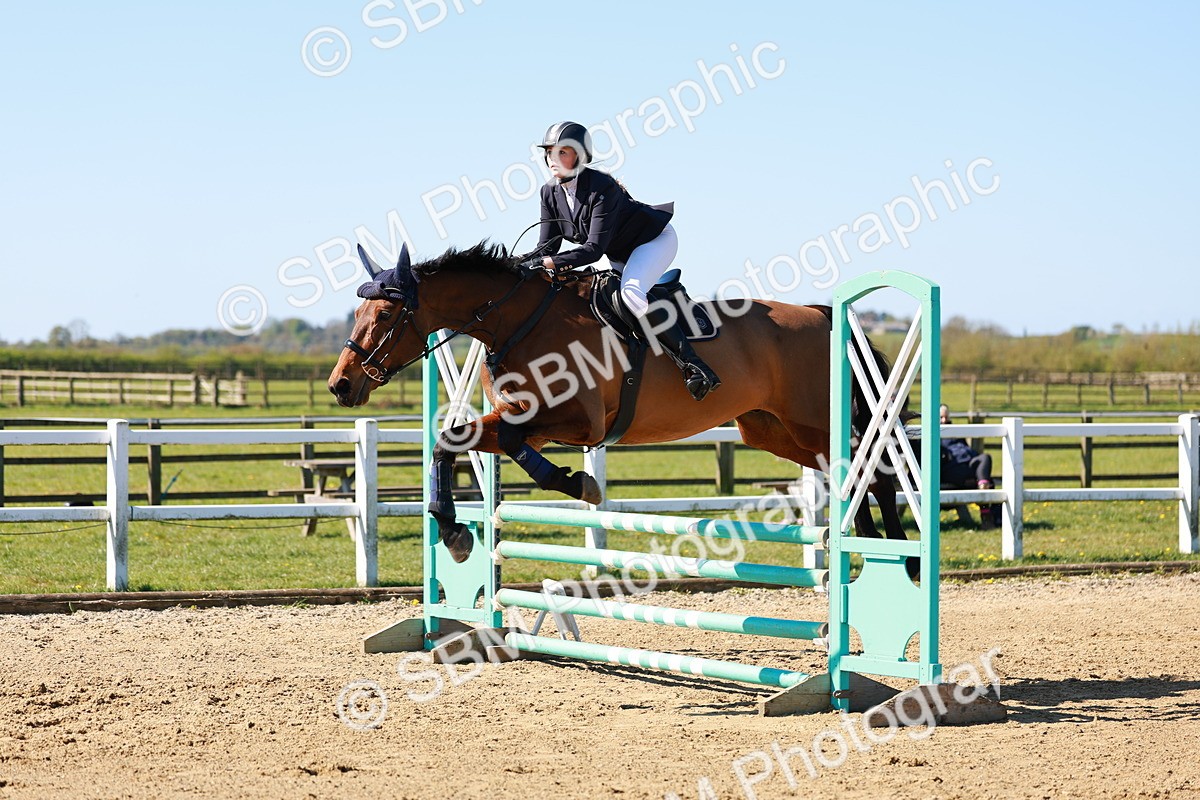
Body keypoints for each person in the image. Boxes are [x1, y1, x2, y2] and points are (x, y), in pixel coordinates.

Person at [530, 120, 721, 401]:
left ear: (580, 155)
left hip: (653, 241)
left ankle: (694, 366)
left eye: (562, 152)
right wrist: (516, 265)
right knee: (604, 301)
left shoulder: (601, 186)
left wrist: (550, 264)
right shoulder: (549, 192)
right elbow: (546, 246)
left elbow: (593, 250)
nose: (552, 160)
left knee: (630, 295)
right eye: (549, 153)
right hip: (620, 253)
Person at [940, 404, 1002, 528]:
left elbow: (967, 449)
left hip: (969, 465)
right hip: (952, 469)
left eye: (946, 417)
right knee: (990, 482)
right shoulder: (933, 435)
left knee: (985, 457)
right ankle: (987, 514)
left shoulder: (956, 432)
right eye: (941, 417)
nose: (944, 420)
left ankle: (982, 485)